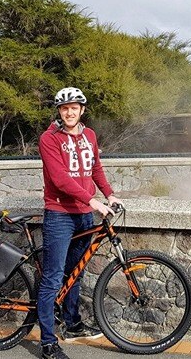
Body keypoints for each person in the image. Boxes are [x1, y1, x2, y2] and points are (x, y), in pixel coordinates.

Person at [38, 86, 122, 359]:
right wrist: (93, 200)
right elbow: (60, 179)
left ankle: (72, 324)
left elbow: (95, 167)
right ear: (59, 112)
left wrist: (108, 194)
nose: (69, 112)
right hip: (60, 215)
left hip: (84, 214)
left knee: (76, 273)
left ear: (82, 110)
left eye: (74, 107)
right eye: (65, 108)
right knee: (52, 279)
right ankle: (48, 343)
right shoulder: (49, 139)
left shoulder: (90, 135)